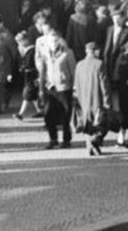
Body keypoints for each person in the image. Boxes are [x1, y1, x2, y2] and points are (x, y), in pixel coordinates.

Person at [35, 19, 77, 149]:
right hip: (50, 87)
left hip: (64, 87)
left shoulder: (68, 53)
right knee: (48, 114)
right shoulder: (45, 54)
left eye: (55, 40)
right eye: (50, 41)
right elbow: (43, 71)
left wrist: (75, 88)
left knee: (65, 115)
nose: (53, 43)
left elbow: (73, 70)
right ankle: (53, 139)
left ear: (60, 40)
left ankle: (66, 140)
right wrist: (41, 89)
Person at [73, 42, 110, 156]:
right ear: (95, 51)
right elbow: (105, 85)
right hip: (96, 98)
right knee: (101, 123)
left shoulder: (79, 65)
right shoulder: (99, 64)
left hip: (83, 99)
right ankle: (95, 140)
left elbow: (76, 84)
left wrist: (76, 99)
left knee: (87, 123)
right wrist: (107, 101)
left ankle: (89, 146)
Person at [102, 7, 128, 90]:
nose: (116, 21)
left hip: (120, 58)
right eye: (114, 19)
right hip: (109, 58)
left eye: (118, 19)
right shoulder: (109, 29)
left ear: (122, 19)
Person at [14, 31, 41, 120]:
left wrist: (39, 76)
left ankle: (21, 114)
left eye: (21, 41)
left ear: (26, 40)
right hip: (25, 75)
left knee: (26, 94)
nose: (19, 44)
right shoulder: (20, 49)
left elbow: (37, 63)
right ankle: (40, 110)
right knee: (32, 95)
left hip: (32, 74)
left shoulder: (33, 50)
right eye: (18, 42)